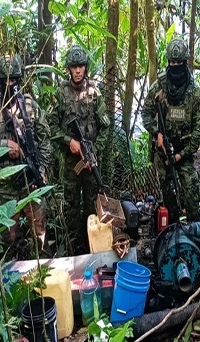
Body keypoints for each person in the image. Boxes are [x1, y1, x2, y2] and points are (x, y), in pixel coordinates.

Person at [0, 54, 53, 248]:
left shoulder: (31, 108)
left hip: (31, 182)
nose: (10, 84)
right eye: (5, 80)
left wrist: (41, 171)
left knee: (40, 231)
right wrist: (3, 146)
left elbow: (45, 141)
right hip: (5, 185)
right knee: (8, 237)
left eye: (14, 80)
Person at [48, 45, 110, 253]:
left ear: (86, 68)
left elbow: (106, 127)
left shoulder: (95, 93)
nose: (77, 71)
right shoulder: (61, 93)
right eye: (74, 66)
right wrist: (69, 141)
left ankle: (92, 244)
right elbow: (50, 126)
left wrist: (95, 151)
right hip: (71, 163)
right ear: (68, 69)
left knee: (92, 204)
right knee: (71, 205)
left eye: (81, 66)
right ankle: (73, 245)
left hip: (90, 161)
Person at [141, 37, 200, 224]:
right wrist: (157, 133)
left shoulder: (194, 92)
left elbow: (199, 129)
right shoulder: (159, 86)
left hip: (184, 153)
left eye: (179, 63)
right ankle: (171, 232)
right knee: (168, 198)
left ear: (185, 62)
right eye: (172, 62)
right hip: (163, 151)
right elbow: (145, 113)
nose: (175, 66)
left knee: (192, 197)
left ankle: (195, 234)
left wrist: (181, 154)